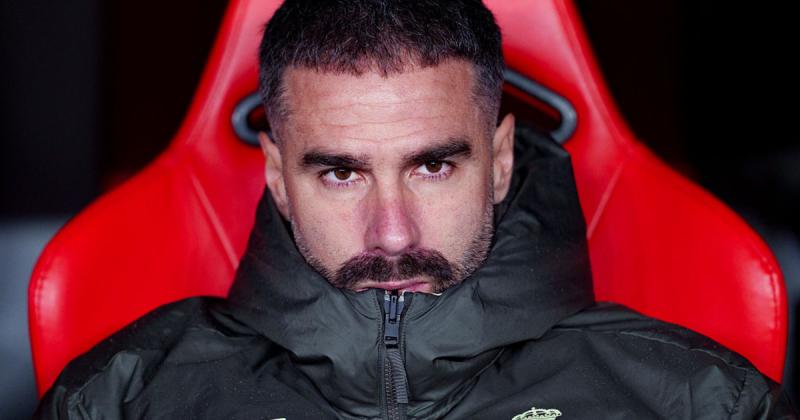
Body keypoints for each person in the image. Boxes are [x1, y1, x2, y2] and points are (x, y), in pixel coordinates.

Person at [34, 1, 796, 418]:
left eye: (433, 166)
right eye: (341, 173)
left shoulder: (698, 402)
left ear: (500, 161)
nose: (392, 234)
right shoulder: (124, 398)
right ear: (275, 177)